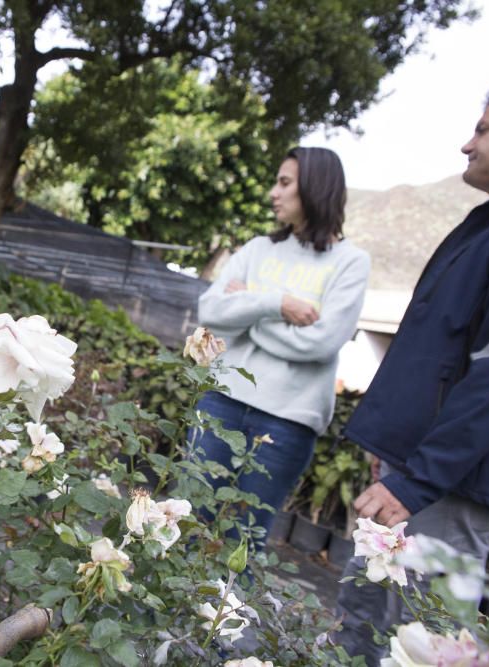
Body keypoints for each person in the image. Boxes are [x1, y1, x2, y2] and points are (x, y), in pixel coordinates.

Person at [334, 77, 489, 664]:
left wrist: (418, 478)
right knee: (365, 626)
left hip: (451, 481)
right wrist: (399, 451)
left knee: (421, 644)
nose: (466, 146)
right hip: (427, 468)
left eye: (481, 128)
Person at [193, 146, 370, 550]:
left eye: (285, 182)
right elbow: (211, 310)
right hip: (222, 400)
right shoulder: (257, 248)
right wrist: (277, 304)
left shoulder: (350, 262)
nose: (274, 192)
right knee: (186, 522)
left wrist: (250, 309)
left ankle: (221, 616)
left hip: (288, 421)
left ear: (315, 187)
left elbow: (321, 342)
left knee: (244, 539)